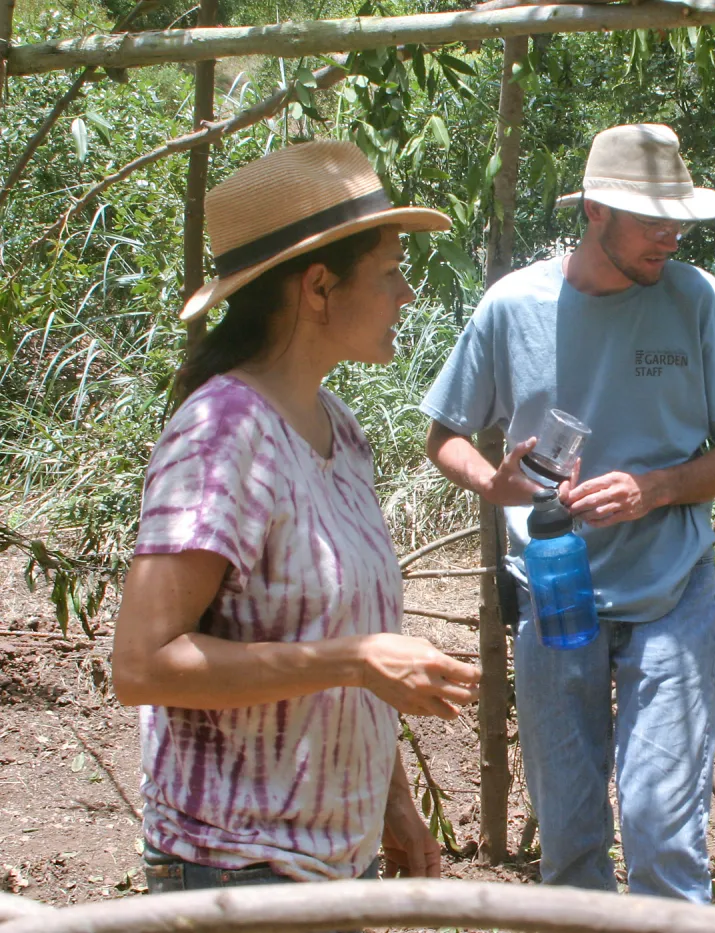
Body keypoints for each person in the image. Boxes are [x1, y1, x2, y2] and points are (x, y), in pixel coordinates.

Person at [111, 141, 481, 893]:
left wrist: (393, 800)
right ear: (318, 287)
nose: (406, 295)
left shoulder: (339, 429)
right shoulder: (221, 434)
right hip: (236, 871)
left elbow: (337, 637)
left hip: (333, 863)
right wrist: (353, 659)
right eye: (389, 273)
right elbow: (142, 664)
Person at [420, 123, 715, 902]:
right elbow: (443, 435)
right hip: (554, 590)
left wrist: (656, 488)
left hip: (670, 593)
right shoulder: (513, 306)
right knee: (571, 841)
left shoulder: (697, 301)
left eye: (676, 217)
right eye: (652, 219)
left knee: (662, 832)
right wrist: (494, 482)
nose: (670, 235)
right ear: (594, 214)